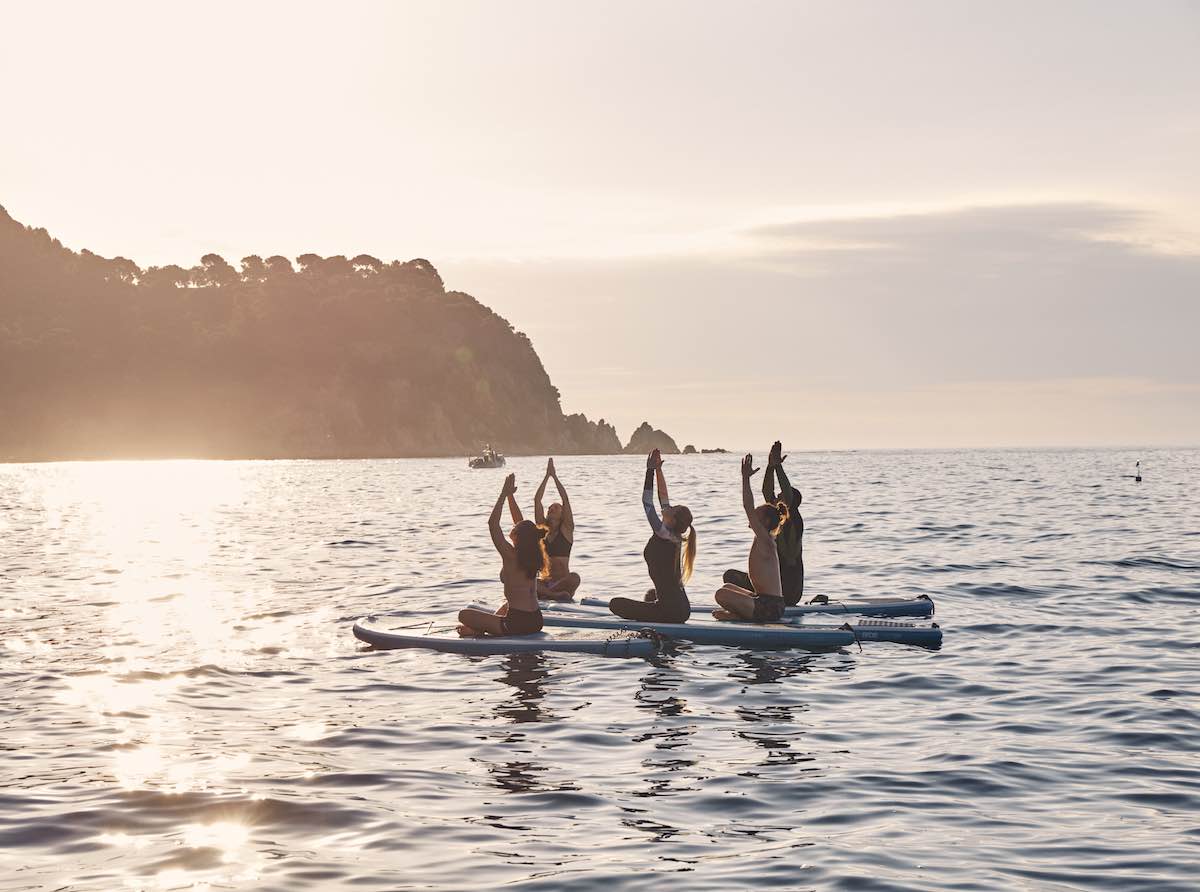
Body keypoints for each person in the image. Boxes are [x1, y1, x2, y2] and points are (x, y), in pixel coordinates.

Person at [608, 448, 696, 624]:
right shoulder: (673, 536)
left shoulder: (663, 532)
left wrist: (649, 471)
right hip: (681, 608)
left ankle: (657, 614)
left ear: (672, 520)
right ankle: (656, 608)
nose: (668, 506)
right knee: (650, 594)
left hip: (671, 612)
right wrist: (658, 471)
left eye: (672, 508)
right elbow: (663, 496)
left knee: (615, 604)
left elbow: (647, 502)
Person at [457, 473, 547, 637]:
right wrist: (510, 496)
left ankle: (477, 632)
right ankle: (482, 629)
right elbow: (523, 525)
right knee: (506, 606)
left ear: (517, 536)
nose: (510, 530)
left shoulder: (511, 556)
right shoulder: (533, 555)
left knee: (464, 614)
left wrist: (503, 494)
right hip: (536, 621)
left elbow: (493, 525)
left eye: (513, 529)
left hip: (517, 624)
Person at [722, 440, 804, 605]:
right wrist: (770, 466)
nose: (776, 499)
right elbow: (767, 492)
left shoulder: (793, 519)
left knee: (730, 578)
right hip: (779, 590)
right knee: (730, 576)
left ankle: (753, 605)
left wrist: (778, 468)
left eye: (780, 496)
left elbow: (787, 496)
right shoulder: (776, 518)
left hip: (787, 590)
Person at [713, 454, 789, 623]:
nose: (752, 516)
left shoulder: (766, 540)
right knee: (727, 587)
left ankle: (738, 617)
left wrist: (745, 479)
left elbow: (747, 506)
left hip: (770, 608)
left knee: (720, 594)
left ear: (765, 522)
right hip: (765, 602)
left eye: (757, 514)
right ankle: (738, 614)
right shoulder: (764, 539)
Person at [533, 457, 581, 600]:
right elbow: (537, 500)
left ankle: (550, 593)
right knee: (530, 580)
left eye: (556, 507)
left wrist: (554, 476)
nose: (551, 509)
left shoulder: (567, 530)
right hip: (545, 583)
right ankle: (552, 594)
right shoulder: (542, 530)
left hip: (563, 583)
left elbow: (565, 499)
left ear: (562, 514)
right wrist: (546, 476)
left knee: (575, 578)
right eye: (549, 508)